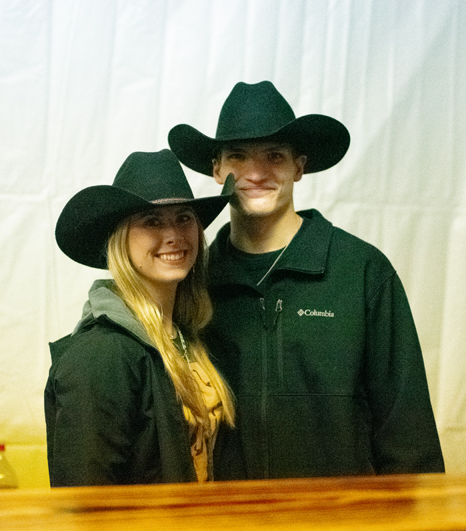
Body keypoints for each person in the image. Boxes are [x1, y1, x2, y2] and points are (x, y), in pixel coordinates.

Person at [168, 81, 445, 479]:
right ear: (217, 169)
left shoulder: (361, 272)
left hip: (342, 511)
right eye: (238, 156)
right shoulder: (193, 283)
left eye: (274, 156)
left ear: (299, 166)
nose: (256, 173)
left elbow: (408, 435)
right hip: (228, 511)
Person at [45, 149, 240, 486]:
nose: (174, 235)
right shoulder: (100, 355)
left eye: (184, 218)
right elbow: (87, 500)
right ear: (121, 238)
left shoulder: (187, 339)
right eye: (152, 221)